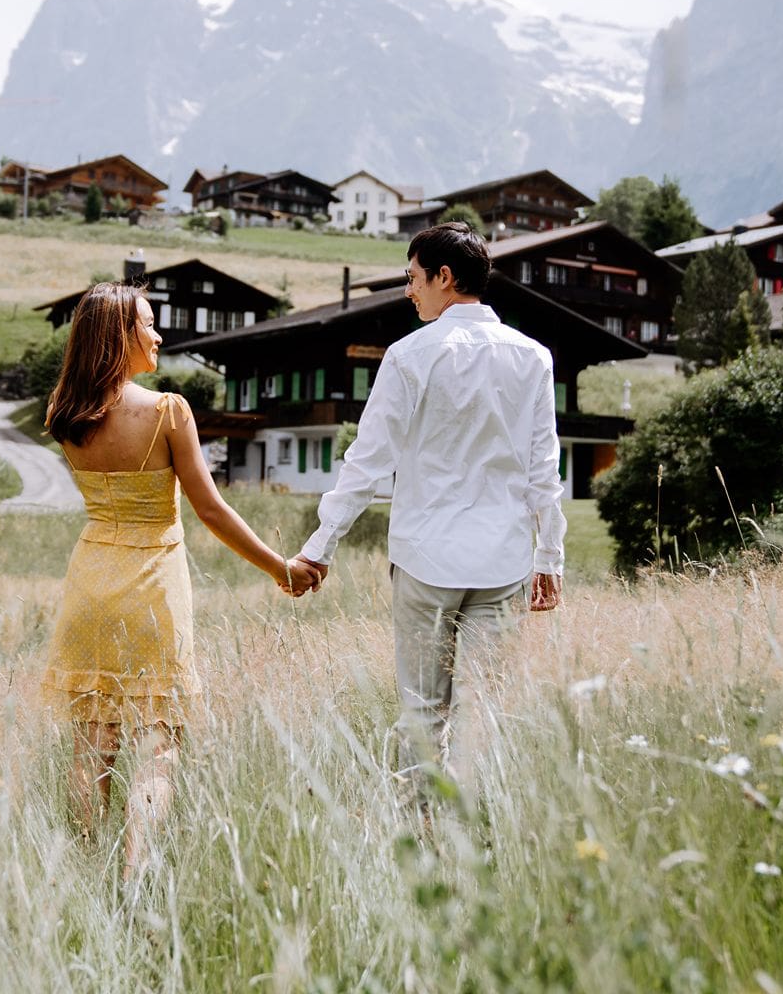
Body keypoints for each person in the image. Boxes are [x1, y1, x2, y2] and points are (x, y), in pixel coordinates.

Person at [41, 282, 314, 878]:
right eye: (147, 323)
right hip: (153, 587)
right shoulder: (167, 410)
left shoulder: (64, 411)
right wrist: (281, 568)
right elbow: (210, 509)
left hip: (89, 583)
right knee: (157, 745)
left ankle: (89, 875)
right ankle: (137, 876)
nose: (159, 334)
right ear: (120, 334)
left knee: (92, 746)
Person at [288, 222, 563, 811]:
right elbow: (546, 468)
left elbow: (368, 460)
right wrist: (550, 555)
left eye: (412, 278)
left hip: (425, 559)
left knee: (422, 708)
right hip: (503, 561)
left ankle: (422, 836)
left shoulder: (409, 355)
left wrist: (320, 546)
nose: (408, 290)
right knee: (482, 708)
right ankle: (471, 838)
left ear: (444, 277)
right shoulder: (533, 358)